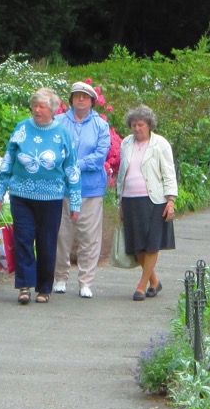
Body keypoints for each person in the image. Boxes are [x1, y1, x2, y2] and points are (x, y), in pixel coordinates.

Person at [0, 88, 80, 304]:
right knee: (23, 238)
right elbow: (8, 160)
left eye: (42, 106)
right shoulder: (22, 128)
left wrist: (75, 201)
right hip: (21, 194)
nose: (37, 110)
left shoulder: (62, 133)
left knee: (46, 242)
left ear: (52, 109)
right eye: (35, 106)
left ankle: (44, 288)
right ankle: (24, 286)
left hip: (51, 198)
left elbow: (71, 167)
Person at [53, 80, 111, 298]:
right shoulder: (58, 122)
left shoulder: (100, 125)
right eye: (77, 96)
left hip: (90, 189)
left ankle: (86, 281)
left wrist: (74, 165)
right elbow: (53, 148)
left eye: (85, 97)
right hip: (63, 189)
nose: (80, 99)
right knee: (62, 234)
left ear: (92, 102)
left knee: (89, 237)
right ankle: (60, 277)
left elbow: (100, 156)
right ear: (71, 99)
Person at [115, 104, 177, 302]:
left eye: (140, 124)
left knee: (151, 245)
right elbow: (121, 174)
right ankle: (154, 282)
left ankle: (141, 286)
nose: (136, 128)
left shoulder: (160, 144)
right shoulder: (126, 143)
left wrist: (170, 201)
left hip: (154, 201)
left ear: (149, 125)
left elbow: (169, 172)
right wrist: (120, 201)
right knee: (137, 246)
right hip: (130, 200)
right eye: (133, 125)